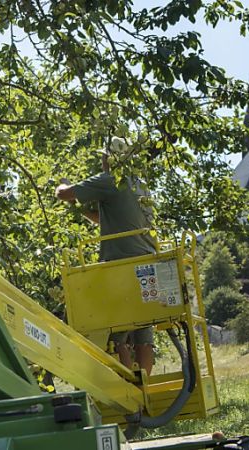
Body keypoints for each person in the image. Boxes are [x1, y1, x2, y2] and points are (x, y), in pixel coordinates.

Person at [55, 141, 156, 375]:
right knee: (143, 332)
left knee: (114, 331)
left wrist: (62, 185)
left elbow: (63, 194)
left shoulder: (109, 180)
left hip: (121, 268)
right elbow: (108, 220)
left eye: (103, 157)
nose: (101, 161)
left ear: (110, 160)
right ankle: (145, 389)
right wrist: (80, 210)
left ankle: (129, 391)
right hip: (148, 264)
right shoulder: (140, 185)